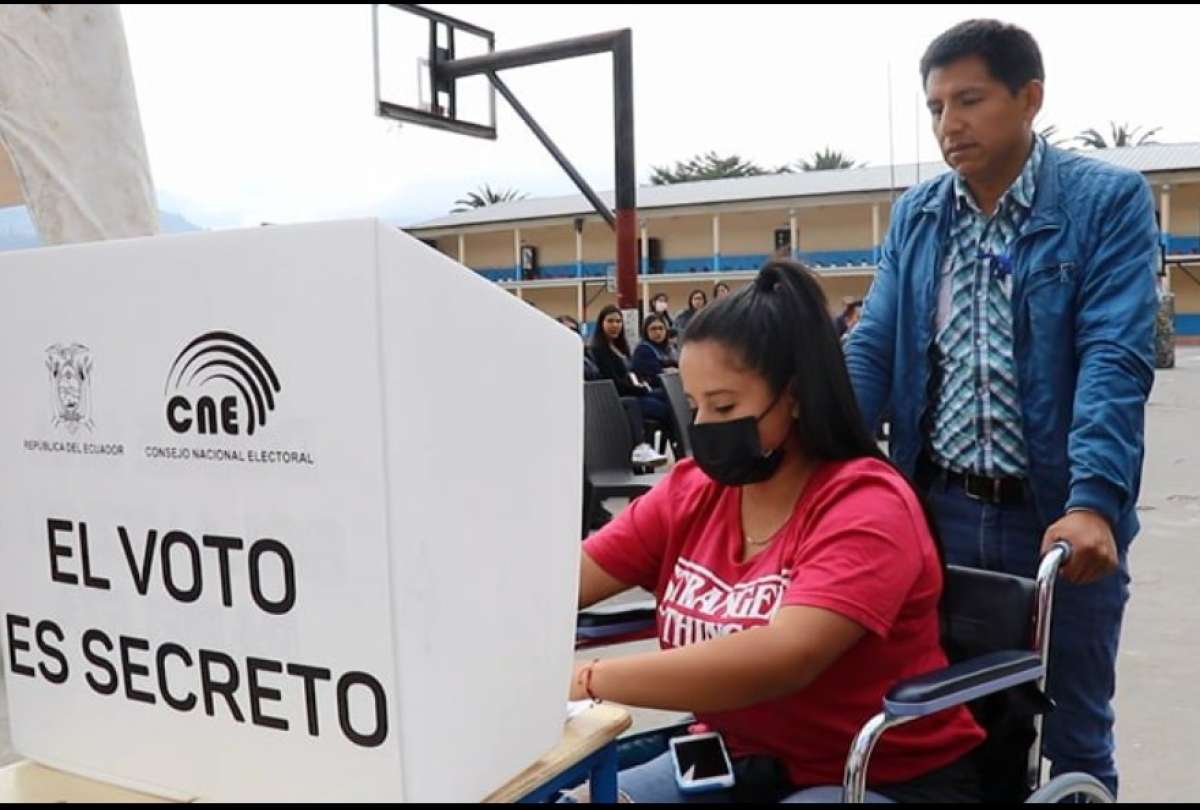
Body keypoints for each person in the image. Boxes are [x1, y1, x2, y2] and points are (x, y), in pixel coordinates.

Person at [844, 19, 1158, 797]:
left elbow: (1113, 357)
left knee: (1075, 729)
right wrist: (822, 464)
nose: (949, 124)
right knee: (951, 727)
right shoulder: (919, 214)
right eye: (936, 106)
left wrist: (1093, 502)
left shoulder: (1103, 202)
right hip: (938, 512)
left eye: (970, 100)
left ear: (1029, 98)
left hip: (1057, 518)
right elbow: (873, 346)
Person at [572, 261, 985, 803]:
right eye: (694, 406)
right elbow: (568, 582)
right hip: (734, 758)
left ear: (794, 395)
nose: (703, 427)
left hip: (872, 776)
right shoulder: (692, 490)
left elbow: (785, 657)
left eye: (724, 405)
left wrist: (591, 679)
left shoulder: (865, 505)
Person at [589, 305, 673, 465]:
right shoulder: (599, 350)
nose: (615, 325)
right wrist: (638, 389)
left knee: (667, 397)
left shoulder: (619, 348)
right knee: (664, 408)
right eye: (610, 321)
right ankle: (642, 448)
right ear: (601, 323)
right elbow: (613, 382)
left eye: (618, 321)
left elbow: (629, 375)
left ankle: (682, 446)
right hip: (618, 398)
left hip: (631, 391)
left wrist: (640, 385)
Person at [631, 314, 678, 389]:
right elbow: (657, 376)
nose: (658, 332)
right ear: (646, 331)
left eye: (661, 328)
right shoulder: (643, 350)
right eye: (653, 329)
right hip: (652, 390)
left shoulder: (667, 349)